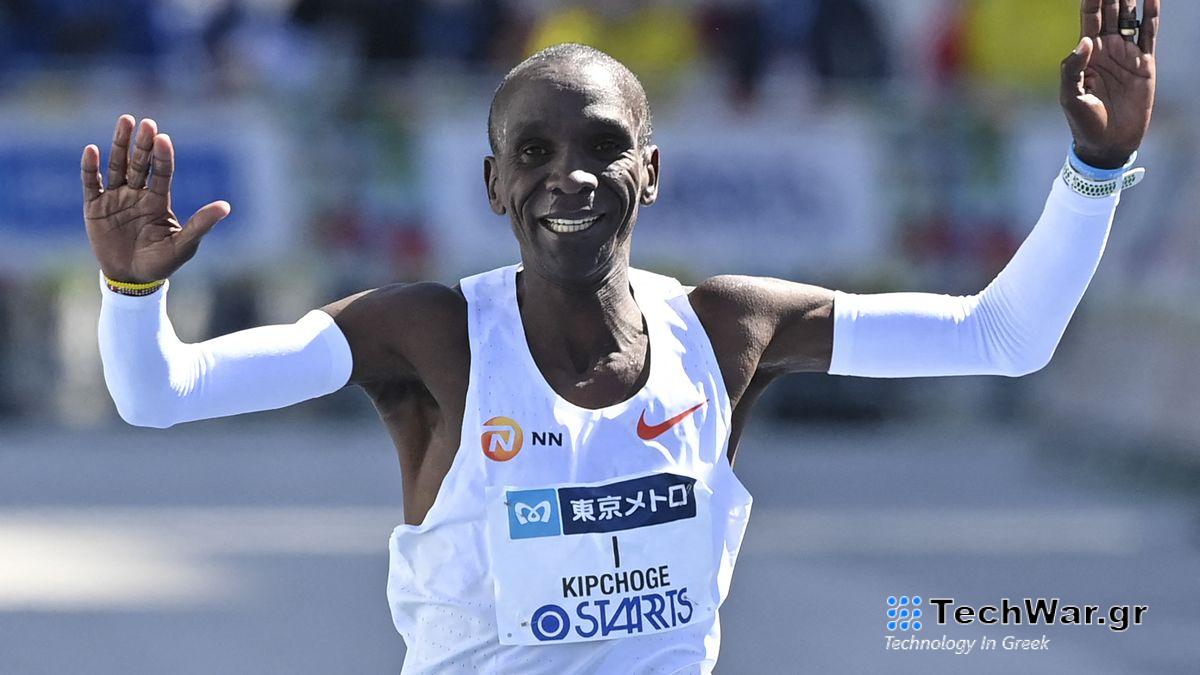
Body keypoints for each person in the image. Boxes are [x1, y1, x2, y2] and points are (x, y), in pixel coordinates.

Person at [80, 1, 1159, 672]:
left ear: (653, 173)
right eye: (535, 153)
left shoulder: (729, 331)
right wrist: (133, 299)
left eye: (604, 147)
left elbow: (1001, 337)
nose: (571, 177)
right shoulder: (429, 335)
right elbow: (159, 395)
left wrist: (1096, 172)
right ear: (494, 183)